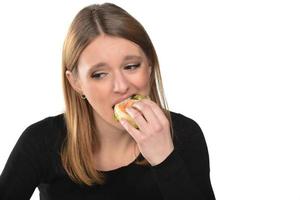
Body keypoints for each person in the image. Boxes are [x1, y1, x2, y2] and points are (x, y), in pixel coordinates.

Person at [0, 3, 215, 200]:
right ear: (75, 82)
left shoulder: (185, 134)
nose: (121, 86)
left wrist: (164, 158)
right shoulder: (41, 141)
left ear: (149, 67)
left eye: (131, 66)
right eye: (99, 74)